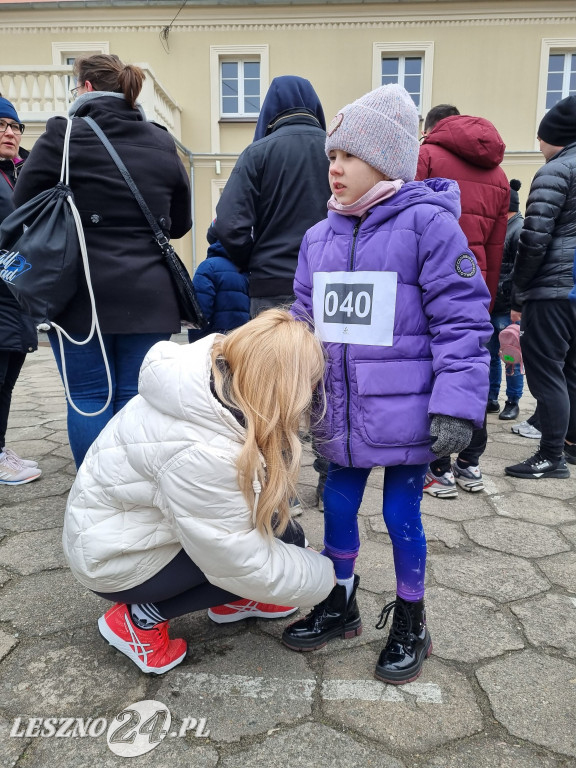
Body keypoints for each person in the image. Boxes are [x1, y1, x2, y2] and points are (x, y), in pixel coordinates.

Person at [282, 85, 491, 685]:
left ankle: (411, 618)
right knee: (340, 503)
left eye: (348, 155)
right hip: (341, 413)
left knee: (402, 511)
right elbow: (303, 318)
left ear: (386, 158)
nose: (335, 168)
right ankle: (340, 599)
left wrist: (456, 406)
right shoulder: (319, 236)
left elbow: (462, 321)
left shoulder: (429, 226)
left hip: (408, 414)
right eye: (331, 157)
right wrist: (288, 383)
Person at [62, 309, 335, 674]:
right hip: (112, 558)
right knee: (253, 565)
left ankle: (234, 603)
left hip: (124, 528)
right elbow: (236, 563)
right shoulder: (204, 450)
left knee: (285, 537)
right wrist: (327, 578)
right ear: (284, 388)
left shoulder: (206, 386)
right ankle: (138, 619)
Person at [13, 54, 192, 468]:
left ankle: (95, 502)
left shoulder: (64, 135)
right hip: (151, 295)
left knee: (89, 397)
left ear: (87, 88)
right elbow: (180, 223)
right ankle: (131, 500)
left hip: (81, 294)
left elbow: (22, 207)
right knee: (135, 399)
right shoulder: (162, 140)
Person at [417, 104, 509, 498]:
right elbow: (495, 245)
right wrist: (483, 303)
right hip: (476, 287)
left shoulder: (427, 156)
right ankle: (470, 466)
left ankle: (438, 470)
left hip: (430, 285)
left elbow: (410, 222)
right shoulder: (500, 174)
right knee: (474, 369)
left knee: (433, 371)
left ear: (432, 128)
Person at [212, 75, 331, 317]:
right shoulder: (336, 152)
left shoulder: (257, 154)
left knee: (270, 356)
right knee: (325, 356)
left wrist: (252, 259)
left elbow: (229, 225)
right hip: (327, 282)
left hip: (270, 286)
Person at [505, 95, 576, 479]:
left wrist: (519, 293)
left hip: (554, 291)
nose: (538, 143)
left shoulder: (555, 170)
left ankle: (551, 456)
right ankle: (570, 444)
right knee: (572, 372)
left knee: (546, 371)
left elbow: (534, 240)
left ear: (557, 136)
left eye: (541, 136)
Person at [0, 96, 41, 484]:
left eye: (14, 126)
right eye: (1, 125)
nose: (10, 132)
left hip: (15, 293)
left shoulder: (17, 172)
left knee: (9, 376)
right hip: (5, 289)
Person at [486, 179, 524, 421]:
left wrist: (516, 305)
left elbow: (520, 272)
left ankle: (513, 400)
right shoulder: (502, 226)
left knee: (511, 356)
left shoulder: (518, 228)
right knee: (490, 356)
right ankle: (491, 398)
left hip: (507, 307)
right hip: (493, 304)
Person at [187, 231, 250, 343]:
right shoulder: (248, 270)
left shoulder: (208, 267)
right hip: (242, 344)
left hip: (214, 345)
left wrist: (195, 342)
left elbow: (199, 311)